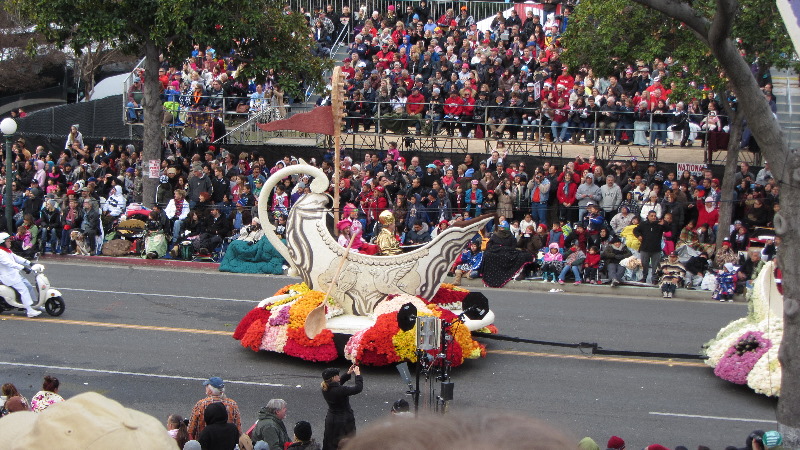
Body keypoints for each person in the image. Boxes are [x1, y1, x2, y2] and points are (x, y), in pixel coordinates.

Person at [321, 365, 363, 450]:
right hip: (344, 421)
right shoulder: (340, 390)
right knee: (347, 443)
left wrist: (348, 373)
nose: (339, 376)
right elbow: (358, 388)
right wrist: (358, 375)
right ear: (333, 378)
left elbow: (338, 383)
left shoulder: (325, 387)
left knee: (331, 443)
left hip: (331, 419)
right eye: (337, 375)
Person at [0, 232, 40, 317]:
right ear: (2, 242)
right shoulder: (1, 253)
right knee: (23, 290)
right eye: (7, 241)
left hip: (15, 274)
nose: (10, 242)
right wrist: (23, 268)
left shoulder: (7, 251)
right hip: (8, 277)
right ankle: (29, 311)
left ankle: (35, 305)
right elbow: (10, 263)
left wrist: (29, 263)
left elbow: (17, 258)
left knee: (29, 286)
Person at [633, 211, 667, 284]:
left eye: (655, 216)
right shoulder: (643, 224)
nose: (653, 217)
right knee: (644, 264)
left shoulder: (659, 224)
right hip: (645, 248)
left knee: (655, 265)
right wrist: (638, 235)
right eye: (652, 216)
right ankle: (644, 278)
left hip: (656, 249)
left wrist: (664, 224)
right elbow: (635, 230)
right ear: (648, 216)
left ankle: (654, 279)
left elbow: (668, 229)